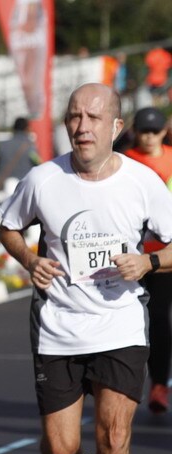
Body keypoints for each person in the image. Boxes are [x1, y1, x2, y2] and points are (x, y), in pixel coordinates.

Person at [0, 83, 172, 454]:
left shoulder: (142, 182)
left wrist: (149, 261)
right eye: (75, 116)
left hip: (119, 323)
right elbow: (9, 227)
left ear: (117, 128)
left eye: (95, 118)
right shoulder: (43, 179)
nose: (82, 126)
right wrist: (30, 258)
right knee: (59, 446)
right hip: (59, 325)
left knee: (115, 437)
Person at [123, 107, 172, 413]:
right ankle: (156, 384)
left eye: (155, 131)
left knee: (160, 320)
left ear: (164, 132)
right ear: (135, 132)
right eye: (144, 131)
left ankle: (158, 383)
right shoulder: (124, 163)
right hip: (142, 254)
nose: (149, 137)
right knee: (152, 321)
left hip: (168, 251)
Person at [0, 117, 40, 188]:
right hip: (23, 186)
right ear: (27, 129)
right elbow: (38, 163)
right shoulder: (31, 146)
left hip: (2, 186)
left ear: (13, 129)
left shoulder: (1, 145)